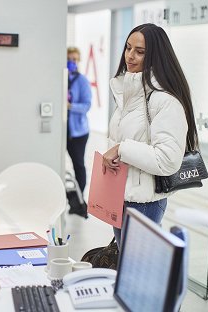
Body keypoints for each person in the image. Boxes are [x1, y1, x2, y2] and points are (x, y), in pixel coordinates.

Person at [102, 24, 199, 249]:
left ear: (156, 55)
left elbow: (167, 160)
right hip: (121, 196)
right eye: (128, 48)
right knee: (128, 266)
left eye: (140, 51)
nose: (130, 56)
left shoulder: (165, 101)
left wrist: (120, 149)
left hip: (144, 204)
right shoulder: (127, 94)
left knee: (138, 272)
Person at [67, 47, 92, 193]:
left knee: (78, 165)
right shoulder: (60, 78)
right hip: (63, 131)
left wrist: (70, 106)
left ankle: (80, 199)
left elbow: (87, 105)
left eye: (75, 59)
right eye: (69, 59)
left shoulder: (82, 81)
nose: (72, 62)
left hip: (78, 133)